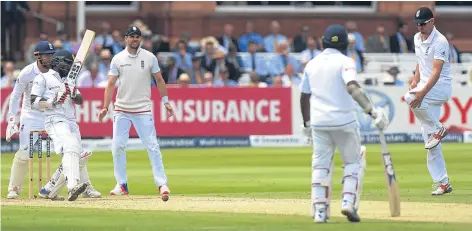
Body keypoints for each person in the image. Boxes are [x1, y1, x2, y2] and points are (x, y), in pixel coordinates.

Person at [299, 24, 389, 223]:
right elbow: (353, 87)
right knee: (354, 162)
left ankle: (320, 212)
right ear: (344, 44)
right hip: (344, 122)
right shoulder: (346, 61)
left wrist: (306, 124)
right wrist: (373, 111)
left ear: (324, 42)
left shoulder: (311, 64)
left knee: (320, 166)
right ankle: (348, 202)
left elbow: (304, 96)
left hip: (319, 123)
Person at [97, 26, 174, 201]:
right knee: (118, 146)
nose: (134, 39)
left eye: (137, 37)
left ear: (141, 39)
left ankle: (162, 183)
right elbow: (110, 84)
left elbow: (159, 80)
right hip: (122, 109)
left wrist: (166, 102)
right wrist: (105, 106)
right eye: (131, 36)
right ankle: (121, 184)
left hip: (143, 109)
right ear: (126, 39)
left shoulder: (149, 57)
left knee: (152, 146)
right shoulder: (117, 59)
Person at [30, 50, 94, 201]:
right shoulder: (43, 78)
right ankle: (72, 187)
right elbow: (33, 102)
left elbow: (80, 100)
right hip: (54, 119)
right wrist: (53, 101)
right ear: (58, 62)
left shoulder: (68, 81)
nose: (70, 67)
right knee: (71, 147)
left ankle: (48, 190)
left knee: (75, 157)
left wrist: (73, 94)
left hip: (71, 121)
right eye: (68, 63)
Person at [404, 7, 453, 196]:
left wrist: (421, 92)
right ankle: (443, 182)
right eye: (417, 24)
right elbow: (420, 61)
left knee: (410, 97)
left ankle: (438, 128)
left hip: (440, 88)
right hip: (425, 85)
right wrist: (415, 79)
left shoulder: (440, 41)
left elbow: (436, 71)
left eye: (423, 24)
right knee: (431, 141)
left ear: (432, 21)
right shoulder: (417, 38)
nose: (419, 27)